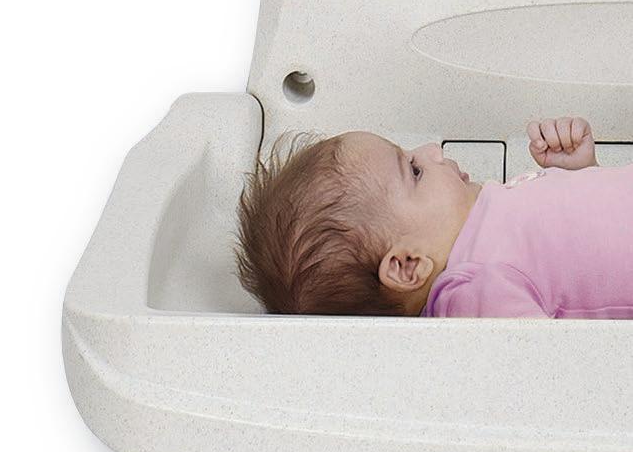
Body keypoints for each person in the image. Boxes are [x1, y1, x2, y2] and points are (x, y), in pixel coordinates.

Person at [232, 116, 633, 317]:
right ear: (408, 265)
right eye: (414, 170)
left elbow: (586, 252)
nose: (432, 150)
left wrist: (580, 174)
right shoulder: (475, 290)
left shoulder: (480, 228)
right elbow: (553, 364)